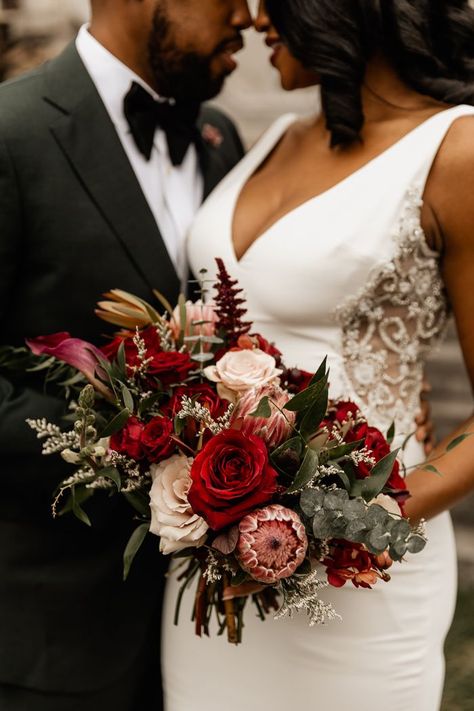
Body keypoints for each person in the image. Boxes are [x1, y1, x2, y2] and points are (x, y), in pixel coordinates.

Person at [162, 1, 474, 709]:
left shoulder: (457, 150)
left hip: (360, 582)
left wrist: (343, 519)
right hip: (213, 577)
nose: (254, 15)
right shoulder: (270, 136)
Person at [0, 0, 251, 709]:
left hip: (207, 634)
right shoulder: (12, 133)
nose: (250, 16)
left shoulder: (218, 134)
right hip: (50, 633)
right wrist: (131, 447)